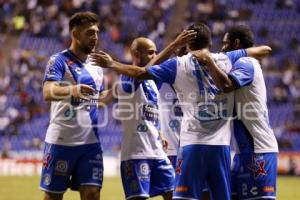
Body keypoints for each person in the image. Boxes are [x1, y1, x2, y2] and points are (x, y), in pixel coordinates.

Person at [91, 23, 271, 200]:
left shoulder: (175, 66)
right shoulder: (225, 59)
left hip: (190, 145)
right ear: (209, 43)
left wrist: (111, 64)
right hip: (210, 147)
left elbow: (141, 73)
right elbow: (263, 50)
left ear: (188, 44)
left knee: (184, 195)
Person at [40, 12, 111, 200]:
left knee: (92, 194)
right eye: (89, 33)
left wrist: (115, 94)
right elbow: (47, 92)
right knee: (53, 196)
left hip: (90, 143)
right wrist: (72, 90)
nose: (95, 37)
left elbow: (98, 97)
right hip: (61, 141)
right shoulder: (59, 60)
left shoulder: (97, 66)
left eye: (96, 32)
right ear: (75, 34)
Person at [220, 25, 278, 200]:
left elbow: (227, 85)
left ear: (236, 43)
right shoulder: (240, 63)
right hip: (241, 152)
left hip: (259, 149)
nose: (222, 48)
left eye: (225, 43)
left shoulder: (246, 62)